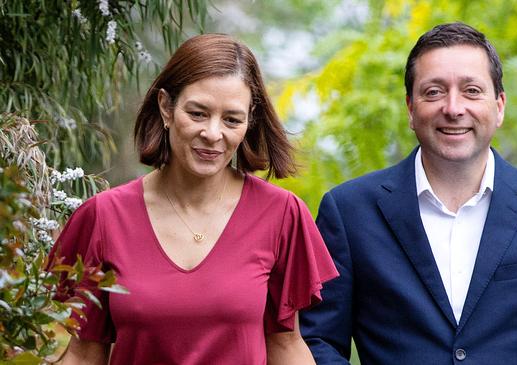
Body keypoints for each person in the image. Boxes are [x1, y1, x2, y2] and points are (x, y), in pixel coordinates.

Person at [299, 22, 517, 364]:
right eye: (434, 92)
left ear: (499, 106)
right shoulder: (349, 211)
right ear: (410, 108)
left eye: (472, 90)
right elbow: (316, 341)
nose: (454, 108)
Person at [50, 33, 338, 365]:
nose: (213, 134)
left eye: (232, 119)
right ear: (166, 107)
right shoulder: (102, 216)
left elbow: (286, 345)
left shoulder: (282, 214)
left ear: (249, 121)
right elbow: (84, 355)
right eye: (198, 113)